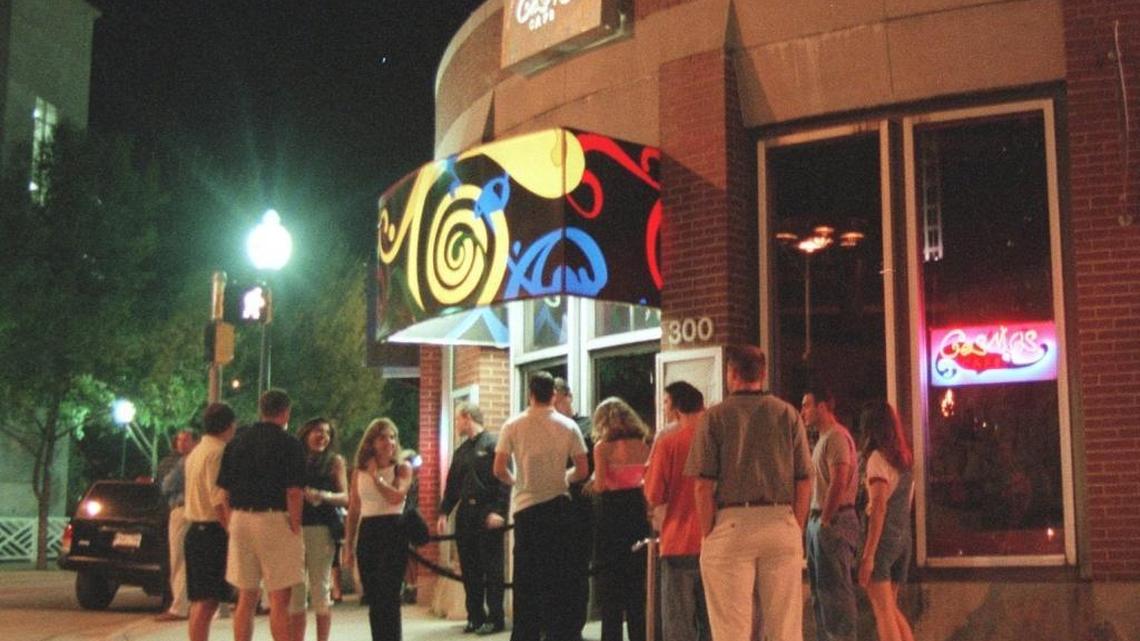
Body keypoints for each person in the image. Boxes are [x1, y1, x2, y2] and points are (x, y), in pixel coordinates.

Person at [684, 345, 812, 641]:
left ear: (731, 374)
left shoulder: (714, 417)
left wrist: (709, 531)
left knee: (732, 629)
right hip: (780, 521)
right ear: (763, 374)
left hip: (731, 522)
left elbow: (702, 484)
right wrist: (796, 524)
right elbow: (804, 480)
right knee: (785, 628)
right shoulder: (788, 414)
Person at [494, 371, 589, 641]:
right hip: (558, 508)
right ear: (553, 395)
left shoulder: (513, 425)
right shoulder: (568, 426)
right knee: (557, 578)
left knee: (526, 580)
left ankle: (526, 633)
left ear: (530, 394)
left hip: (526, 509)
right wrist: (564, 477)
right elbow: (582, 469)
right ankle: (558, 632)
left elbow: (498, 468)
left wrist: (517, 481)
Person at [217, 389, 306, 641]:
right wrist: (295, 525)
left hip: (240, 519)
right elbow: (294, 492)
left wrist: (231, 522)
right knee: (279, 599)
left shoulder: (237, 442)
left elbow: (222, 494)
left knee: (246, 597)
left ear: (261, 410)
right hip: (274, 519)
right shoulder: (290, 444)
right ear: (285, 412)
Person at [643, 381, 710, 641]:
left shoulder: (669, 443)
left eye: (666, 402)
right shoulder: (719, 441)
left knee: (679, 624)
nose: (664, 407)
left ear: (677, 408)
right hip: (715, 540)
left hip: (678, 541)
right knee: (713, 623)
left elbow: (653, 494)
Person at [437, 403, 509, 635]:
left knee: (492, 568)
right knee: (470, 568)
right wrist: (444, 512)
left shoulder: (494, 444)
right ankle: (475, 616)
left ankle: (496, 618)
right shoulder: (461, 452)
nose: (457, 424)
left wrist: (499, 511)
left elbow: (504, 481)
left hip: (487, 511)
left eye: (458, 419)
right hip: (466, 515)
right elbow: (452, 487)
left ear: (467, 418)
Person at [342, 418, 412, 641]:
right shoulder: (358, 472)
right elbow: (354, 509)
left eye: (392, 437)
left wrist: (376, 477)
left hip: (393, 531)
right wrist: (349, 545)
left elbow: (396, 497)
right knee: (373, 597)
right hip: (369, 531)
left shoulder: (402, 468)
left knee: (389, 595)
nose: (389, 442)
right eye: (383, 437)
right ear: (371, 442)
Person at [591, 397, 652, 641]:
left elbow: (600, 485)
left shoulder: (602, 447)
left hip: (611, 514)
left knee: (611, 588)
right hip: (636, 510)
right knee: (636, 585)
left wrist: (593, 481)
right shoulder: (644, 445)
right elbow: (647, 481)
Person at [802, 386, 860, 641]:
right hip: (820, 520)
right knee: (822, 593)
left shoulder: (836, 437)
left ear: (822, 407)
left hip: (834, 521)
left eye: (807, 405)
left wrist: (825, 520)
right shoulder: (824, 439)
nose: (803, 411)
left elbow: (839, 480)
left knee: (835, 593)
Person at [856, 401, 916, 641]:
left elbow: (879, 507)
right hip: (903, 540)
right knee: (890, 608)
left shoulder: (877, 460)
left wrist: (868, 556)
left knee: (883, 613)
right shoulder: (904, 460)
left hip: (882, 542)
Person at [289, 418, 348, 641]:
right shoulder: (294, 459)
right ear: (306, 433)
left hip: (322, 527)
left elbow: (346, 497)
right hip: (295, 527)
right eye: (317, 431)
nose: (322, 436)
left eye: (327, 433)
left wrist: (323, 496)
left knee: (320, 589)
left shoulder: (334, 462)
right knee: (296, 591)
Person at [183, 403, 236, 641]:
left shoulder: (196, 452)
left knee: (201, 601)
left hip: (196, 531)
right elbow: (218, 499)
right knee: (207, 602)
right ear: (229, 425)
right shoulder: (218, 452)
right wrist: (232, 531)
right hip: (212, 532)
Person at [553, 377, 593, 641]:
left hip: (580, 506)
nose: (555, 407)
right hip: (554, 505)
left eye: (557, 401)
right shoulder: (549, 426)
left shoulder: (586, 425)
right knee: (554, 568)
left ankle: (574, 626)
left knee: (578, 568)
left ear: (568, 397)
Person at [156, 429, 199, 621]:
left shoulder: (184, 462)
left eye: (186, 440)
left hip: (183, 509)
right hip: (198, 511)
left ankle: (180, 606)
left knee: (179, 559)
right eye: (179, 440)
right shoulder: (203, 457)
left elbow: (166, 485)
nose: (181, 443)